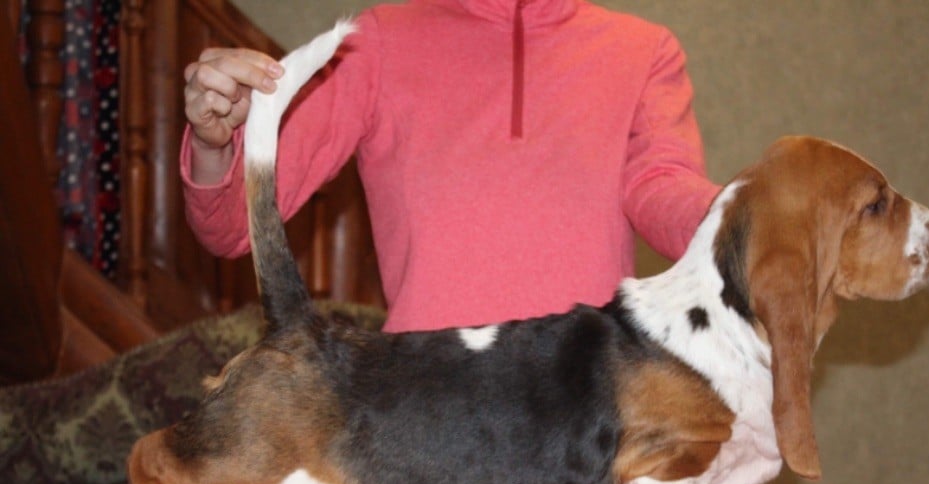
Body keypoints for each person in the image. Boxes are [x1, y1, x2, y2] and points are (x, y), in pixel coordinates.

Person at [181, 0, 721, 333]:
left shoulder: (644, 51)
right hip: (424, 411)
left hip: (589, 412)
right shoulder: (377, 43)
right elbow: (232, 227)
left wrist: (743, 216)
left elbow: (661, 186)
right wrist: (215, 144)